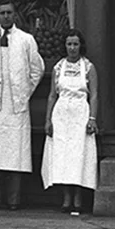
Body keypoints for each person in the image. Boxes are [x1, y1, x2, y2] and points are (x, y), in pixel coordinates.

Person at [0, 0, 45, 211]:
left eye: (9, 12)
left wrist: (24, 92)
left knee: (16, 153)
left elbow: (37, 69)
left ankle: (14, 199)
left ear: (14, 15)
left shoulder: (26, 40)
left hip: (16, 104)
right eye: (2, 13)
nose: (6, 16)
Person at [41, 29, 99, 215]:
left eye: (75, 44)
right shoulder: (58, 67)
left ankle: (78, 198)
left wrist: (92, 119)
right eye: (69, 44)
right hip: (62, 114)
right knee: (63, 156)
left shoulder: (88, 67)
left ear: (80, 46)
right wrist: (48, 120)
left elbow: (94, 95)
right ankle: (66, 197)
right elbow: (52, 95)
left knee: (78, 155)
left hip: (80, 113)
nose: (72, 48)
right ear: (64, 46)